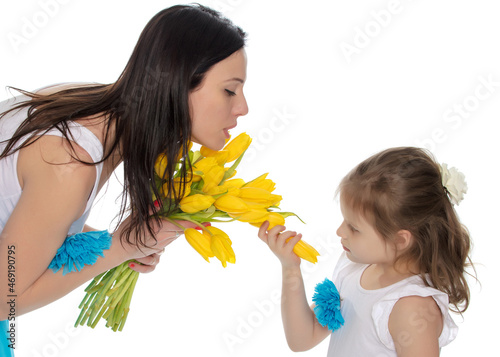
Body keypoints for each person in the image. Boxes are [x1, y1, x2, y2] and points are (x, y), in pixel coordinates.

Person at [0, 3, 248, 353]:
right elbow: (5, 298)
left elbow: (23, 223)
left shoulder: (84, 105)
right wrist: (123, 245)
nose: (243, 108)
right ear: (179, 83)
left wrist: (114, 242)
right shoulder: (71, 161)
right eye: (229, 90)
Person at [258, 147, 474, 356]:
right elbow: (302, 339)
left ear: (400, 240)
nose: (340, 231)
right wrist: (290, 269)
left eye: (354, 228)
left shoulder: (411, 308)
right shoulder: (353, 270)